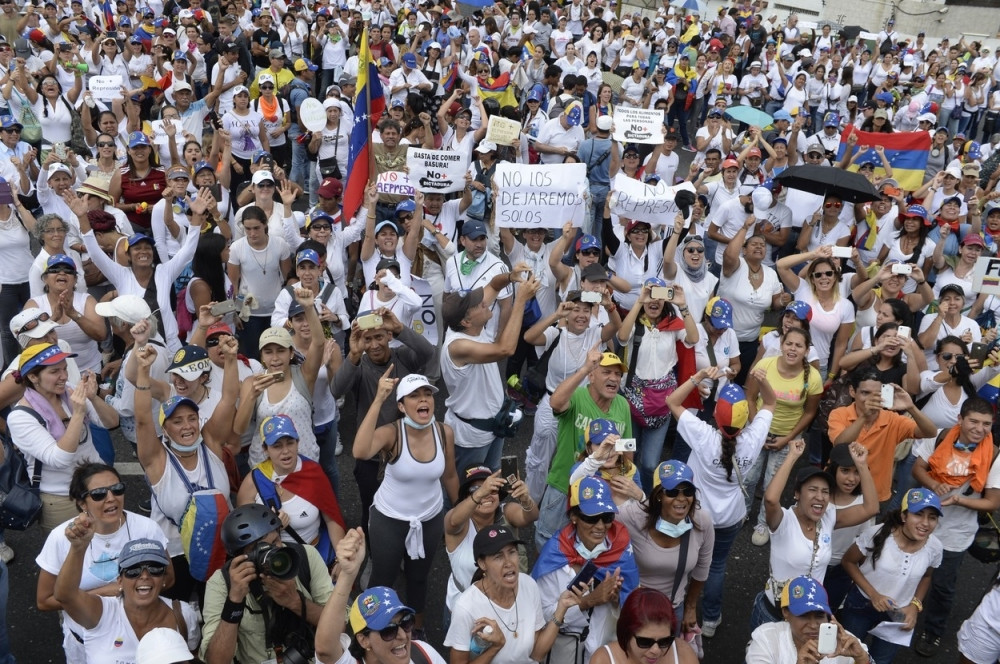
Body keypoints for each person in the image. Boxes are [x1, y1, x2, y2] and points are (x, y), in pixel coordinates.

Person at [666, 367, 775, 638]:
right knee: (715, 566)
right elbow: (771, 403)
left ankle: (676, 608)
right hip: (730, 518)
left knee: (685, 561)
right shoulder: (752, 438)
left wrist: (699, 376)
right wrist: (762, 382)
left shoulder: (703, 436)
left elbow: (672, 402)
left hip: (696, 515)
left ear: (715, 414)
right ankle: (711, 619)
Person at [133, 336, 237, 602]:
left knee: (219, 611)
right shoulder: (156, 459)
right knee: (178, 616)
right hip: (175, 554)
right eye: (177, 421)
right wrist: (143, 370)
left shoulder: (211, 442)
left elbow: (228, 398)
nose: (187, 426)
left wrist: (232, 358)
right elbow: (143, 420)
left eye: (192, 418)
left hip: (219, 546)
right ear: (165, 429)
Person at [354, 373, 459, 633]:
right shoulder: (392, 433)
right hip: (389, 518)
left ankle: (416, 631)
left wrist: (460, 511)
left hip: (429, 518)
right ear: (401, 406)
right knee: (383, 578)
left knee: (418, 578)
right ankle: (372, 632)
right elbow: (360, 451)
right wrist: (378, 400)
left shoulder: (444, 432)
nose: (423, 399)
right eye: (414, 395)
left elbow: (450, 474)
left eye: (427, 394)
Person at [35, 463, 171, 663]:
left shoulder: (146, 529)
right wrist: (103, 593)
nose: (111, 498)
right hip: (84, 641)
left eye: (117, 489)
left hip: (141, 636)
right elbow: (44, 600)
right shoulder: (61, 538)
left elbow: (168, 578)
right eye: (99, 494)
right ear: (82, 503)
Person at [751, 439, 879, 632]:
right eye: (812, 490)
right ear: (797, 494)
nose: (820, 496)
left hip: (809, 620)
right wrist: (792, 456)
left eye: (825, 492)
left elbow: (871, 508)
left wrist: (861, 464)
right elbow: (770, 499)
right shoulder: (783, 520)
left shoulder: (828, 519)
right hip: (774, 614)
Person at [911, 397, 1000, 657]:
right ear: (960, 419)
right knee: (909, 572)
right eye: (973, 421)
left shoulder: (994, 455)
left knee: (942, 586)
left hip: (956, 535)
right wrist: (933, 484)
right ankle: (902, 615)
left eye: (986, 424)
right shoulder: (938, 437)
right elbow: (918, 468)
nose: (980, 428)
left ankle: (933, 630)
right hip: (920, 523)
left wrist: (959, 499)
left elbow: (993, 502)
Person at [200, 504, 334, 664]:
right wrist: (234, 601)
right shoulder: (221, 582)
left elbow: (338, 626)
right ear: (239, 556)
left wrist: (295, 602)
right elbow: (216, 661)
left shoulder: (305, 556)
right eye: (259, 550)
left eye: (275, 542)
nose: (273, 554)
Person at [8, 344, 118, 529]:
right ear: (33, 376)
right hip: (62, 498)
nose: (65, 376)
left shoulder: (69, 391)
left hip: (98, 485)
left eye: (65, 368)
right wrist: (78, 413)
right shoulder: (20, 417)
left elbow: (111, 422)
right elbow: (60, 459)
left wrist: (93, 397)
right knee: (73, 553)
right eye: (55, 371)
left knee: (109, 545)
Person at [440, 270, 540, 473]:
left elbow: (494, 285)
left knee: (492, 474)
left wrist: (511, 276)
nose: (485, 302)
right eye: (478, 304)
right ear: (466, 322)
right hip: (473, 435)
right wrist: (520, 300)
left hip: (496, 423)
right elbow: (505, 349)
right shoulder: (458, 346)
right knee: (470, 487)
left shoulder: (469, 323)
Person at [532, 476, 639, 664]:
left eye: (607, 517)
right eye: (591, 518)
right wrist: (588, 601)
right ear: (574, 517)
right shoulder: (556, 553)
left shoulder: (621, 547)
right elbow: (542, 615)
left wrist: (616, 601)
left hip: (605, 648)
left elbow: (632, 602)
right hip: (565, 651)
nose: (600, 526)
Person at [535, 348, 632, 550]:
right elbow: (555, 402)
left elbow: (626, 446)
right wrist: (585, 367)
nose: (614, 378)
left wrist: (625, 480)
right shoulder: (577, 397)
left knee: (588, 550)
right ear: (591, 376)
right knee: (548, 543)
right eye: (607, 372)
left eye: (618, 374)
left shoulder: (622, 404)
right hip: (564, 489)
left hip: (599, 497)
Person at [444, 525, 578, 664]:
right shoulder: (466, 607)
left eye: (512, 552)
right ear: (482, 564)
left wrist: (561, 609)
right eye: (498, 556)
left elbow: (537, 654)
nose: (509, 562)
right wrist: (496, 646)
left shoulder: (528, 585)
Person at [314, 529, 448, 664]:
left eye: (406, 622)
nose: (403, 635)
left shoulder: (424, 653)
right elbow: (325, 650)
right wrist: (347, 575)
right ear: (363, 640)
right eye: (388, 630)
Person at [839, 488, 943, 663]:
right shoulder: (877, 534)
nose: (925, 523)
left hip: (898, 615)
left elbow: (926, 577)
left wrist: (915, 606)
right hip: (861, 605)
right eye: (919, 514)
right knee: (847, 655)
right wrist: (874, 595)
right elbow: (848, 562)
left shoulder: (935, 548)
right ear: (904, 516)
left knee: (881, 660)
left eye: (932, 517)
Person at [54, 534, 191, 664]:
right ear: (120, 581)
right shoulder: (102, 613)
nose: (144, 576)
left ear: (164, 579)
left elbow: (192, 656)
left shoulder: (184, 615)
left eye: (154, 569)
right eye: (133, 570)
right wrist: (78, 548)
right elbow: (65, 596)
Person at [743, 327, 824, 546]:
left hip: (785, 435)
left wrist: (787, 439)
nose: (792, 349)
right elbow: (750, 398)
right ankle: (742, 512)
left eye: (799, 346)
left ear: (807, 351)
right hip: (758, 431)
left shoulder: (814, 378)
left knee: (772, 483)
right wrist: (755, 430)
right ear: (781, 345)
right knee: (748, 477)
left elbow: (809, 412)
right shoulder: (764, 366)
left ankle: (763, 523)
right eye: (789, 344)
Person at [616, 279, 699, 491]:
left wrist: (683, 305)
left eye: (659, 295)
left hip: (661, 403)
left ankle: (644, 500)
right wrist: (638, 302)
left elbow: (693, 337)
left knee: (650, 463)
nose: (654, 300)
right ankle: (625, 496)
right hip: (630, 401)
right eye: (650, 295)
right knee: (627, 455)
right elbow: (622, 337)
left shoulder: (672, 325)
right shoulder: (634, 324)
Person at [236, 414, 346, 568]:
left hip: (314, 558)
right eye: (277, 446)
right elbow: (245, 537)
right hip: (273, 565)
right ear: (265, 450)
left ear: (298, 443)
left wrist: (340, 561)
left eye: (290, 443)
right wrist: (270, 526)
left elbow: (332, 519)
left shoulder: (313, 473)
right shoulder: (252, 482)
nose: (286, 451)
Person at [617, 460, 713, 631]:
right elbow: (599, 526)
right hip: (635, 606)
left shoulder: (702, 521)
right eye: (673, 492)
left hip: (673, 608)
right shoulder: (633, 516)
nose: (681, 499)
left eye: (688, 491)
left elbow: (702, 569)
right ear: (659, 495)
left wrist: (691, 608)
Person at [828, 369, 939, 502]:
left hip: (875, 493)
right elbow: (840, 445)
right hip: (840, 490)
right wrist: (864, 417)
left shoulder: (893, 419)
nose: (871, 399)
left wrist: (911, 407)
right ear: (852, 391)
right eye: (865, 393)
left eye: (877, 394)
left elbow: (930, 432)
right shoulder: (839, 414)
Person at [444, 466, 539, 616]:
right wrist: (481, 493)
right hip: (464, 612)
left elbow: (530, 516)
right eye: (475, 489)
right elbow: (453, 522)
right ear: (465, 498)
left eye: (492, 489)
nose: (487, 494)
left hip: (505, 604)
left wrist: (525, 499)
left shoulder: (506, 512)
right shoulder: (460, 524)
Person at [745, 575, 871, 664]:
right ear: (786, 613)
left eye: (819, 615)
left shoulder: (845, 643)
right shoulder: (766, 639)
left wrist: (861, 659)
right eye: (803, 615)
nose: (813, 625)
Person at [589, 587, 699, 664]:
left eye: (664, 641)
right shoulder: (603, 660)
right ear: (626, 633)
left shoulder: (683, 654)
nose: (655, 650)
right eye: (645, 642)